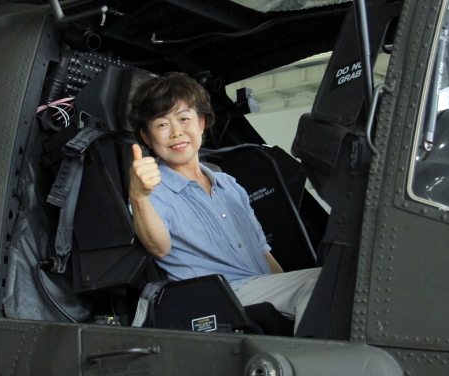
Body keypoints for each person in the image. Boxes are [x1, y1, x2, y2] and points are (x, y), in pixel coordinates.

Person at [127, 72, 320, 332]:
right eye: (162, 124)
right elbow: (159, 248)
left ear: (201, 123)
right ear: (147, 137)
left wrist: (287, 292)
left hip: (257, 286)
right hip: (217, 297)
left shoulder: (229, 185)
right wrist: (139, 196)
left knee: (332, 281)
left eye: (184, 119)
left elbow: (263, 252)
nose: (176, 132)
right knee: (320, 283)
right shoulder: (153, 191)